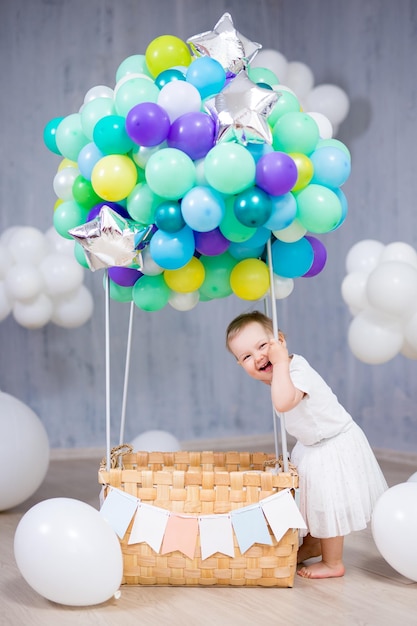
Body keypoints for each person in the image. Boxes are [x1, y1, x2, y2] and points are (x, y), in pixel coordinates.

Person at [226, 310, 388, 579]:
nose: (258, 357)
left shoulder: (296, 370)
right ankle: (313, 543)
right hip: (312, 445)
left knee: (328, 504)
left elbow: (284, 401)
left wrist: (279, 365)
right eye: (246, 356)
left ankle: (333, 562)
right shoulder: (280, 375)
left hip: (333, 444)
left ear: (280, 340)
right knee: (311, 501)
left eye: (263, 346)